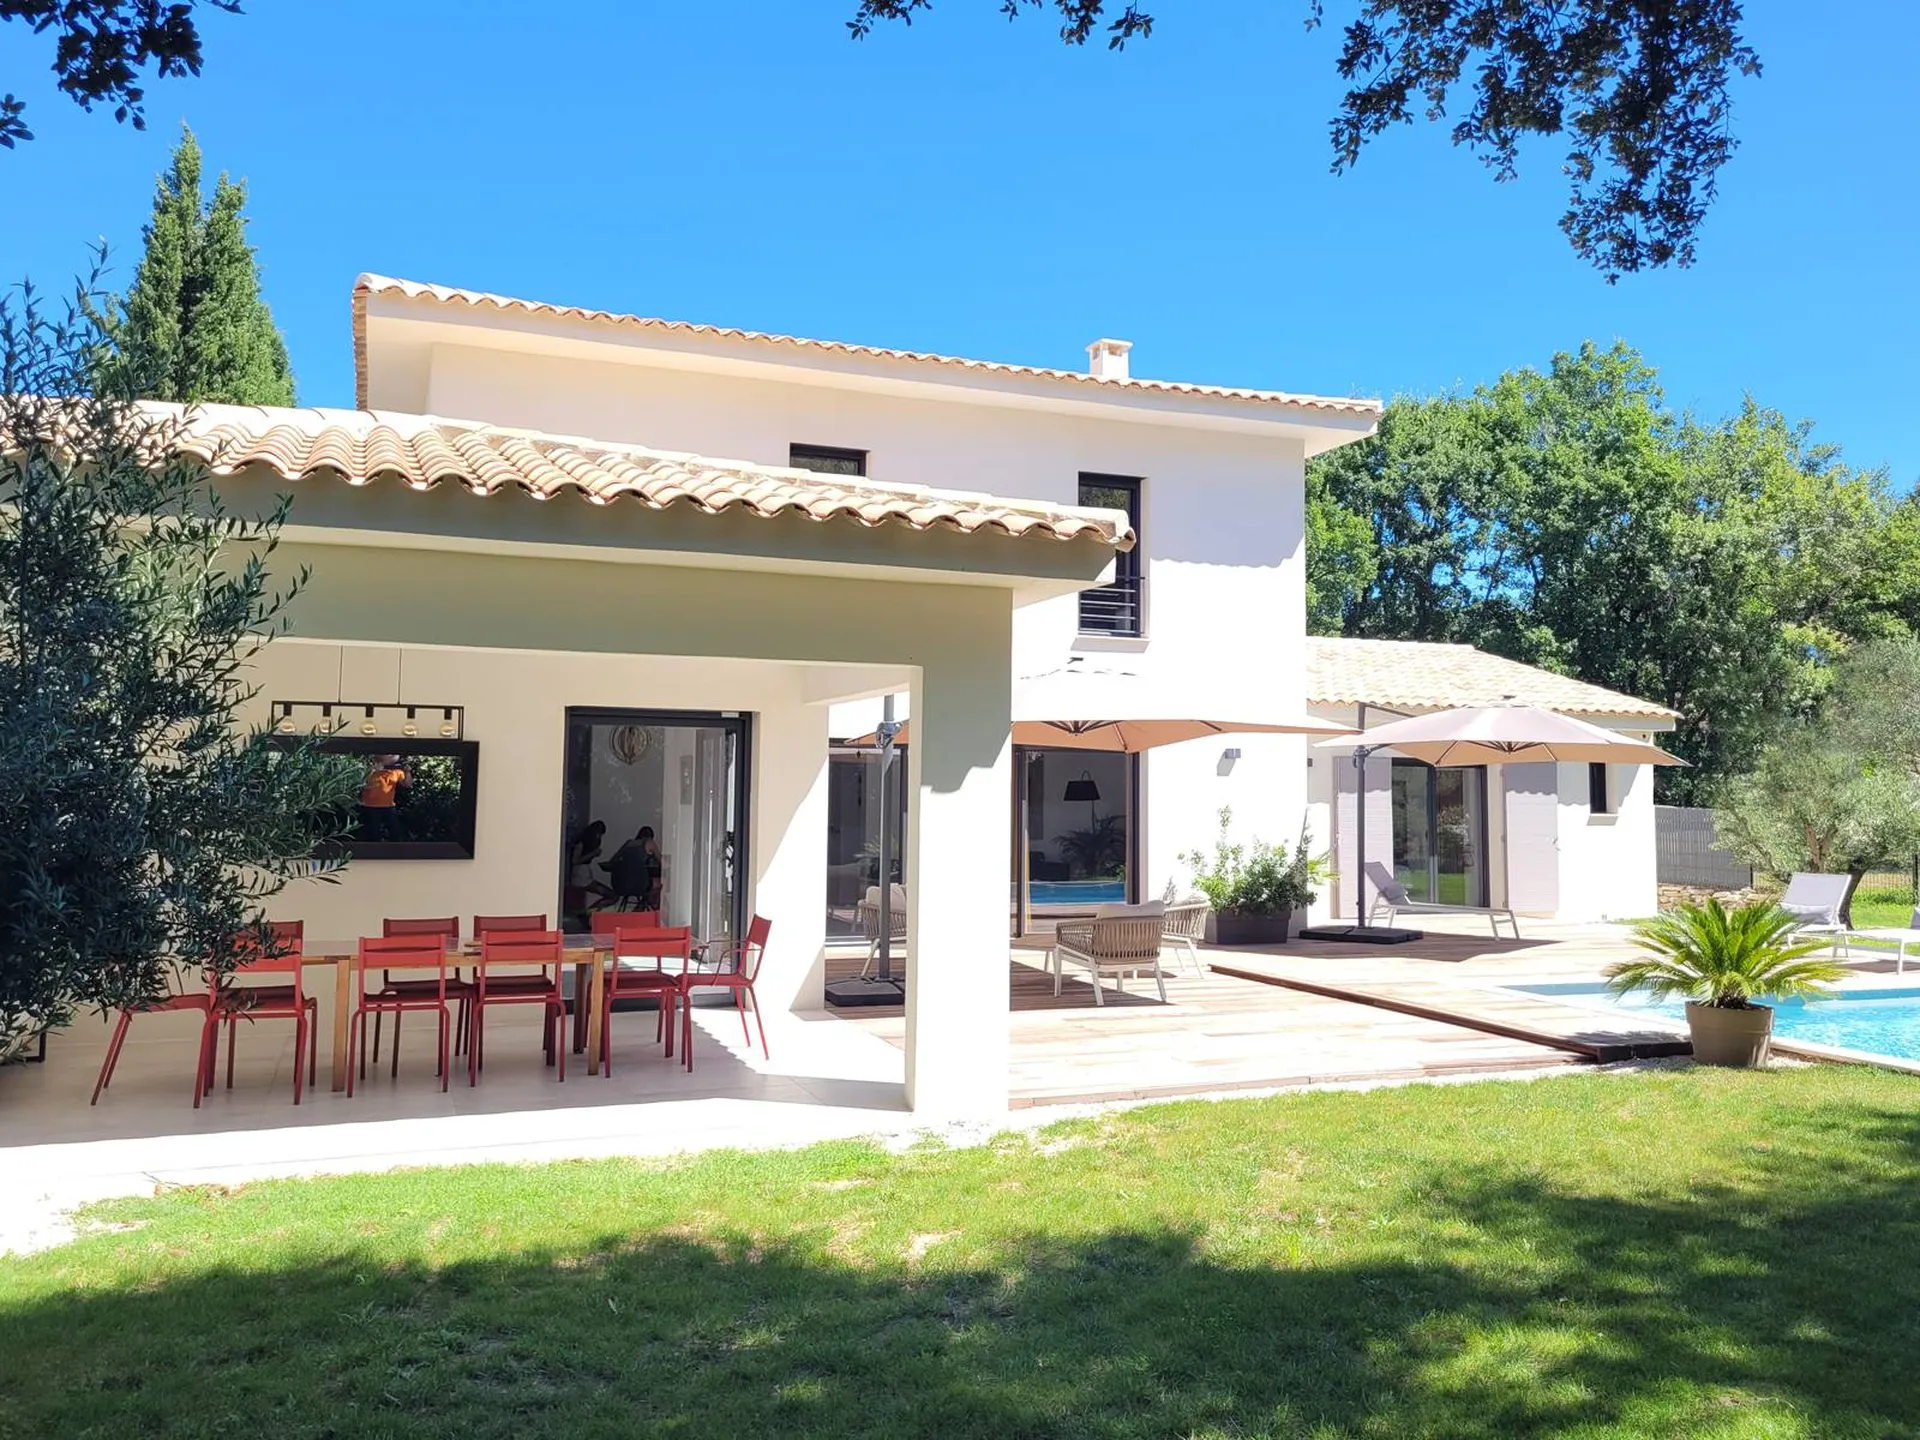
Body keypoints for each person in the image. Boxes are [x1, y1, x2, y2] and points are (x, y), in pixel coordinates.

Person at [605, 825, 664, 911]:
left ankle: (640, 908)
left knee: (648, 886)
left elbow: (614, 860)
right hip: (638, 884)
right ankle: (653, 908)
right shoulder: (649, 842)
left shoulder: (629, 843)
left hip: (620, 884)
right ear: (651, 836)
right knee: (660, 882)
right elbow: (662, 861)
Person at [358, 754, 411, 841]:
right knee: (373, 835)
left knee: (395, 833)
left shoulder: (396, 771)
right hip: (370, 806)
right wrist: (373, 771)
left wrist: (407, 772)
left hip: (389, 806)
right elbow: (363, 784)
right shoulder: (369, 769)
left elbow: (407, 785)